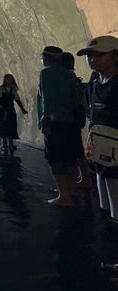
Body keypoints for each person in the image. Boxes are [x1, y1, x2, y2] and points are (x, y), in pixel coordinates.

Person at [77, 35, 118, 220]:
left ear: (115, 56)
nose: (93, 59)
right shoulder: (93, 85)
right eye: (89, 55)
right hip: (100, 154)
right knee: (104, 206)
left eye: (100, 54)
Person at [37, 46, 79, 206]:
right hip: (69, 121)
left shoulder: (46, 74)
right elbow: (74, 98)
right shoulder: (69, 74)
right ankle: (72, 190)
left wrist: (45, 119)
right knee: (69, 157)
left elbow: (47, 98)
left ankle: (64, 195)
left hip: (54, 122)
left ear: (47, 58)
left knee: (55, 158)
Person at [59, 52, 93, 188]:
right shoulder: (72, 76)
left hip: (69, 119)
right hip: (75, 118)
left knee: (72, 151)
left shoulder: (66, 77)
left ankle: (74, 182)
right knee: (77, 149)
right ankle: (84, 177)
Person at [0, 74, 28, 151]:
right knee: (3, 125)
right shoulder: (1, 88)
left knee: (12, 126)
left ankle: (11, 142)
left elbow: (17, 100)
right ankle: (4, 142)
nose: (10, 80)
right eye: (8, 79)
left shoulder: (13, 89)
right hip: (3, 110)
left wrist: (22, 109)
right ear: (5, 80)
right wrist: (4, 106)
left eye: (11, 79)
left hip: (11, 110)